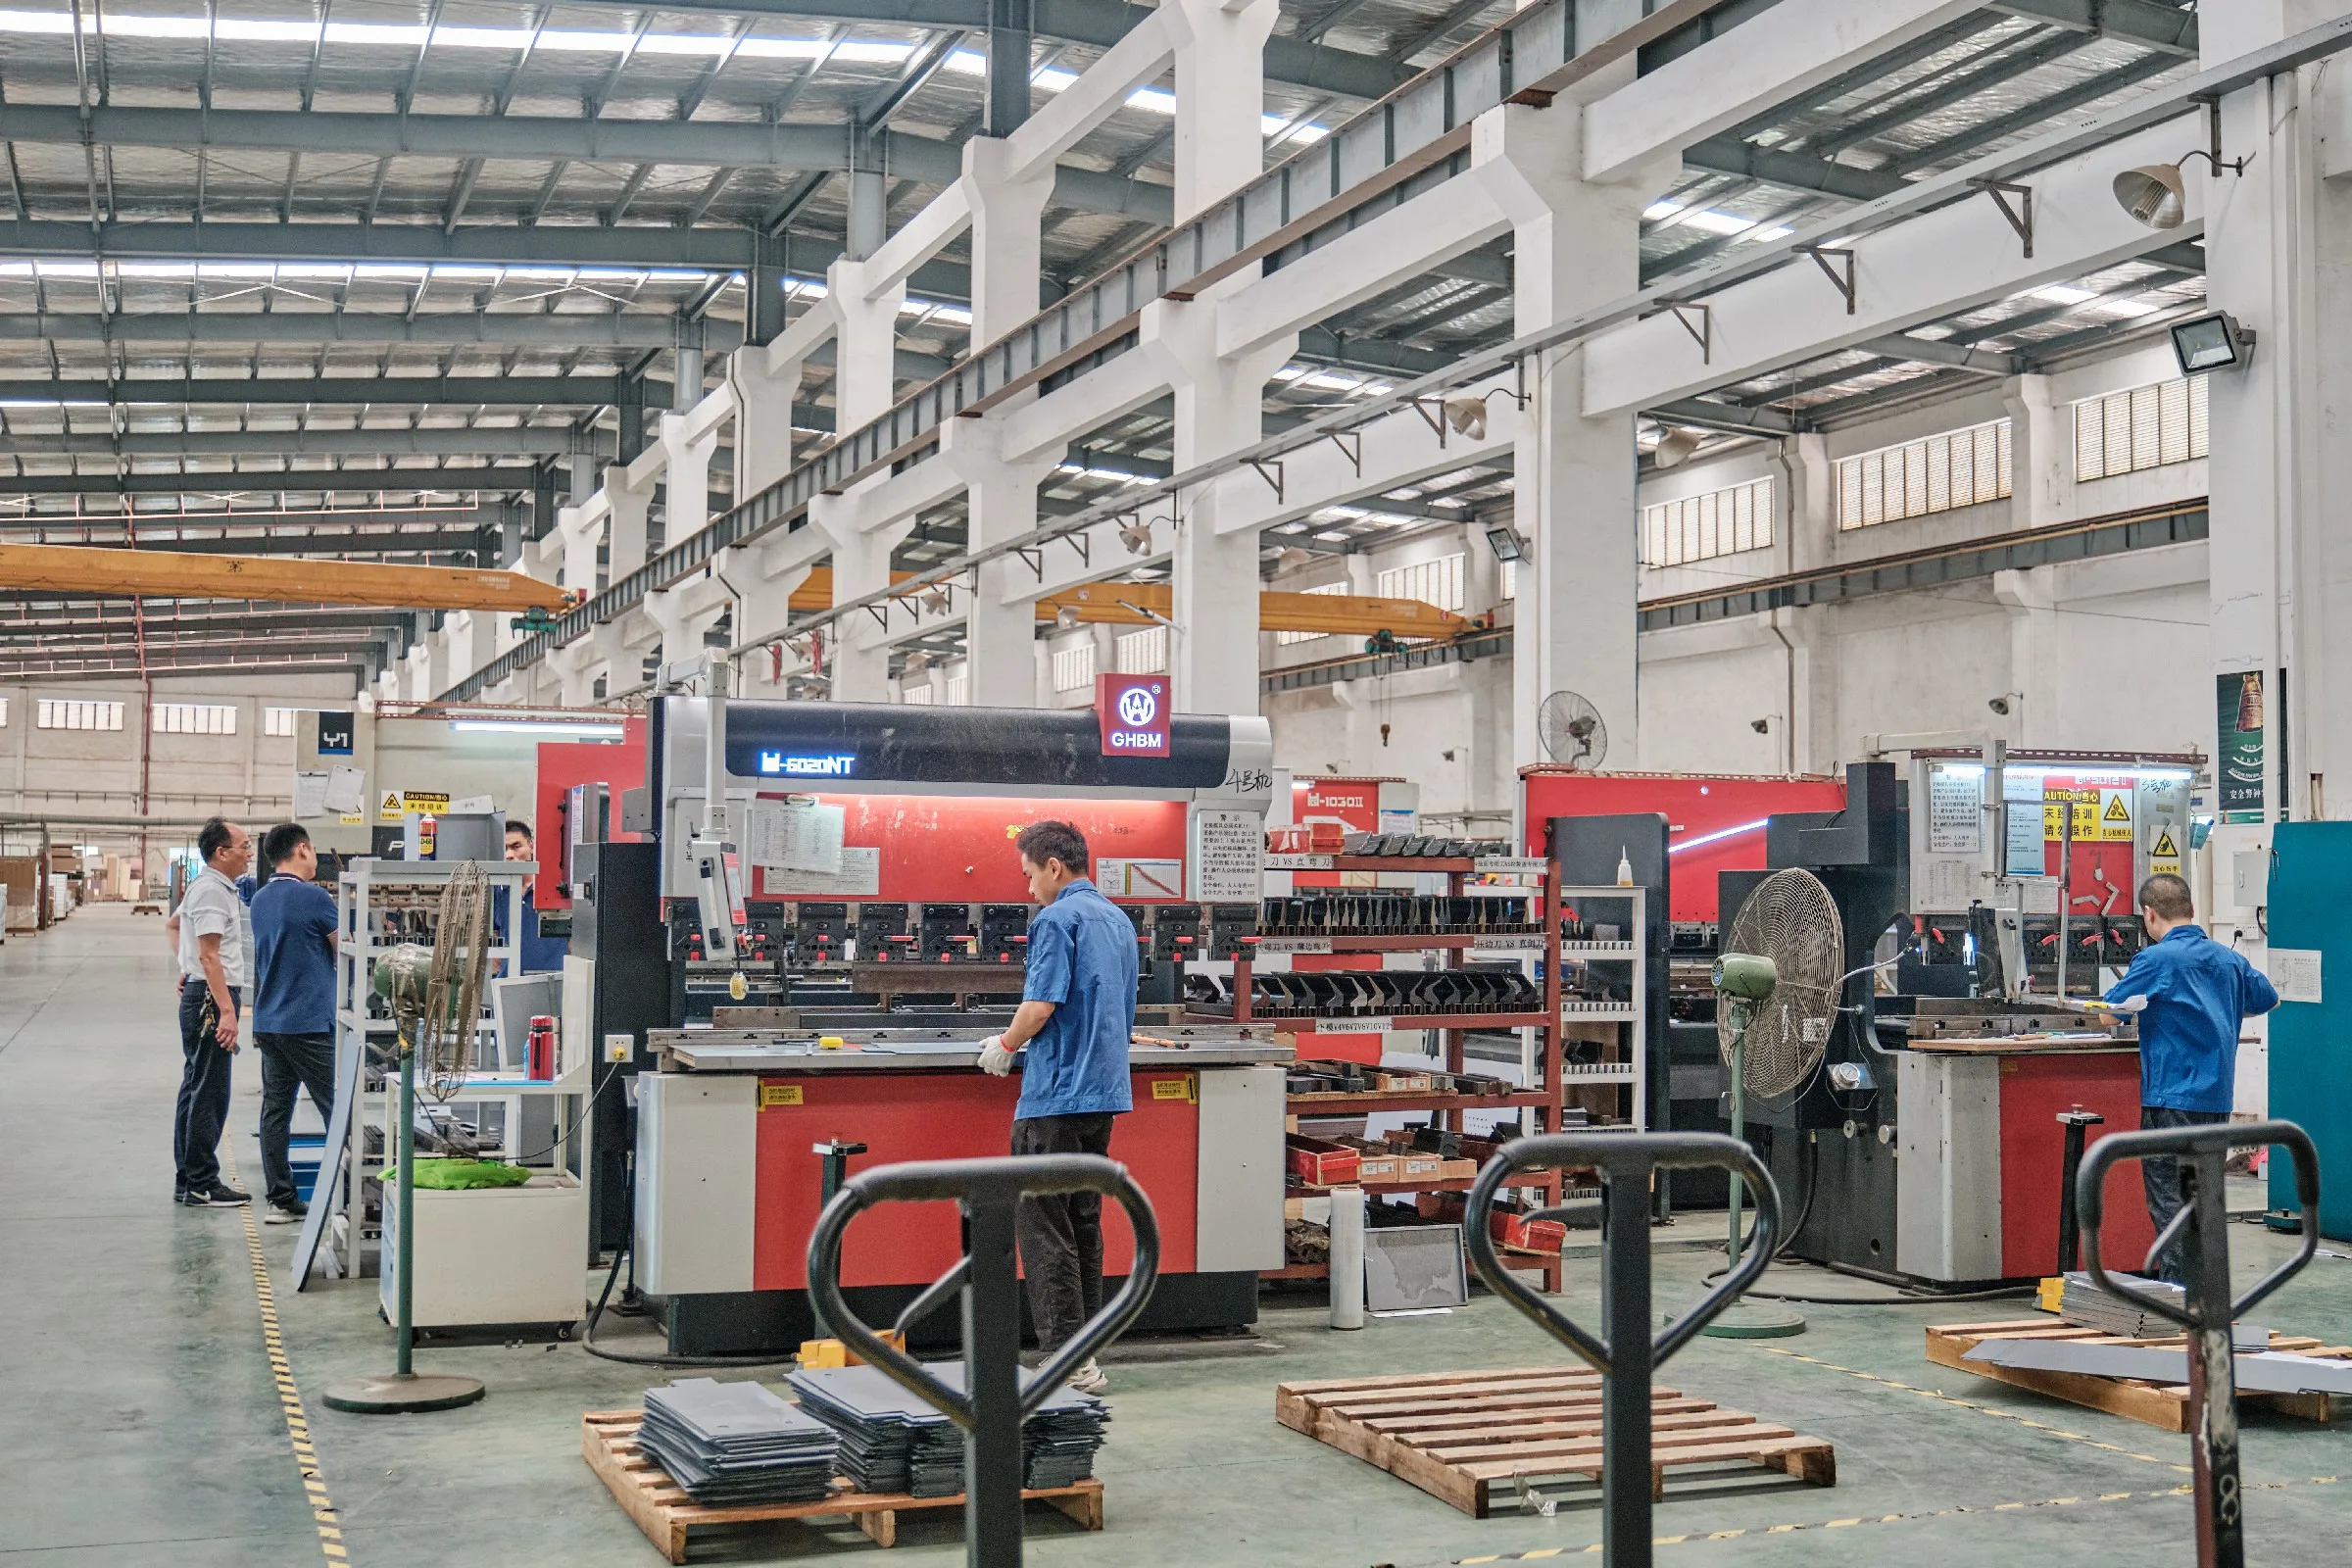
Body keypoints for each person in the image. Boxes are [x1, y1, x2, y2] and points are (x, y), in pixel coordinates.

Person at [976, 820, 1137, 1396]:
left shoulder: (1055, 920)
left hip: (1056, 1094)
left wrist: (1005, 1045)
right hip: (1103, 1094)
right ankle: (1085, 1353)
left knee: (1044, 1227)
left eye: (1028, 876)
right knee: (1082, 1222)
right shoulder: (1118, 921)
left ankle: (1070, 1362)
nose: (1028, 891)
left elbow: (1041, 1004)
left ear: (1053, 866)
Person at [2104, 872, 2278, 1284]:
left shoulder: (2154, 960)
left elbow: (2109, 1013)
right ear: (2192, 910)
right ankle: (2208, 1292)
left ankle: (2182, 1296)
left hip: (2171, 1098)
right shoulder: (2229, 959)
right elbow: (2266, 998)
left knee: (2170, 1199)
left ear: (2149, 915)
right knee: (2204, 1197)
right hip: (2215, 1099)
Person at [250, 823, 341, 1225]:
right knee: (338, 1110)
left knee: (275, 1112)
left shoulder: (260, 899)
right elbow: (348, 951)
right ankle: (350, 1196)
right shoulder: (315, 897)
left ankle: (281, 1200)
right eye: (315, 849)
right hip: (307, 1023)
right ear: (302, 849)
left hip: (270, 1021)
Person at [164, 817, 253, 1207]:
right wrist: (227, 1010)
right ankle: (202, 1182)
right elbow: (210, 954)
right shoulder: (213, 892)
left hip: (202, 991)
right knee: (210, 1092)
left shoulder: (206, 888)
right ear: (222, 852)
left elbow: (173, 926)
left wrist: (188, 968)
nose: (250, 853)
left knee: (196, 1086)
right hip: (211, 1000)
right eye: (244, 846)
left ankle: (189, 1179)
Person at [504, 819, 568, 973]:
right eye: (504, 848)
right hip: (509, 983)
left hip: (554, 981)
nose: (509, 855)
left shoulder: (554, 889)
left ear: (531, 847)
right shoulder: (498, 891)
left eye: (516, 846)